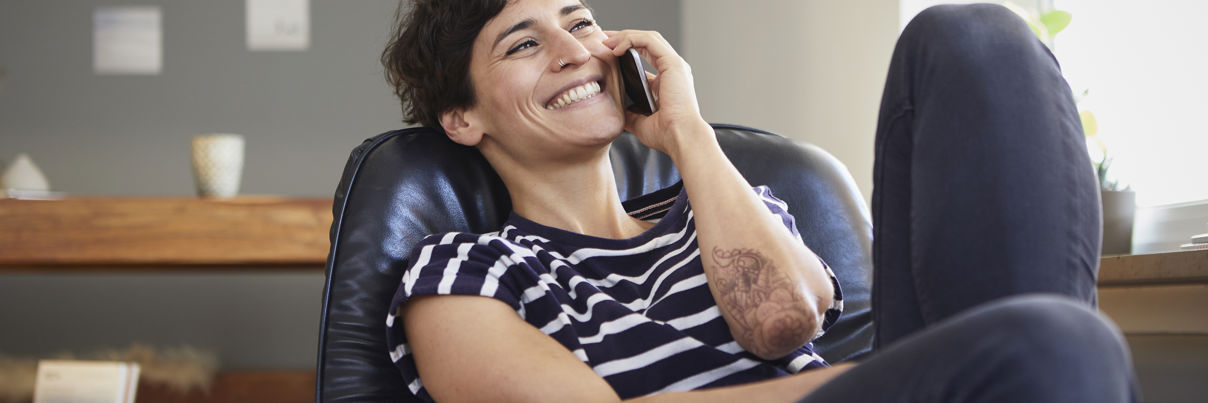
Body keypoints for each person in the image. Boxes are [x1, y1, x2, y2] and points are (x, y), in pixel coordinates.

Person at [381, 0, 1139, 401]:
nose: (576, 50)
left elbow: (782, 320)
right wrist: (893, 380)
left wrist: (687, 131)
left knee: (972, 35)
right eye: (523, 43)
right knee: (1058, 344)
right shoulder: (461, 273)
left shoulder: (724, 206)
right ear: (462, 117)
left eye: (580, 23)